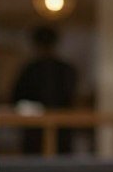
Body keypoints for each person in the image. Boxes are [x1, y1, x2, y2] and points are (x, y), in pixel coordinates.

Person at [11, 24, 78, 155]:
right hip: (49, 130)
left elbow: (16, 98)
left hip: (44, 130)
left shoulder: (30, 69)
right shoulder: (66, 69)